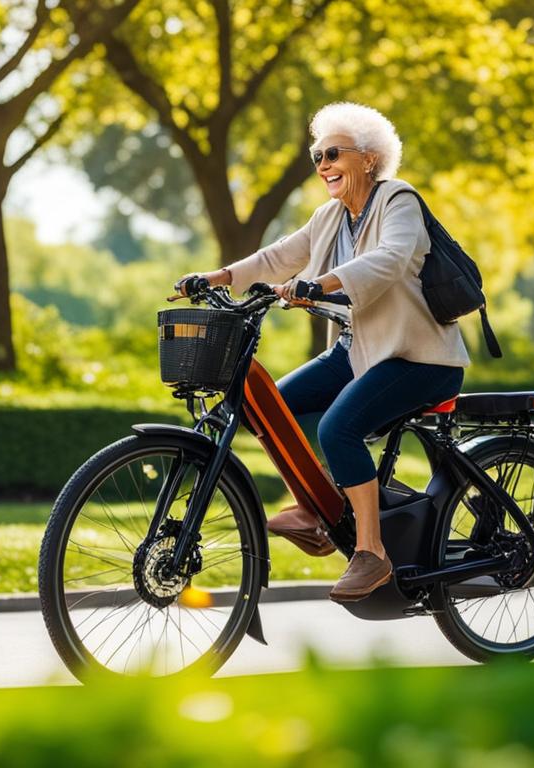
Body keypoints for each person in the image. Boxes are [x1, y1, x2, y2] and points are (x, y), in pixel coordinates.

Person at [178, 102, 469, 601]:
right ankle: (316, 510)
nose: (323, 165)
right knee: (266, 407)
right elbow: (278, 256)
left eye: (333, 153)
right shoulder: (330, 216)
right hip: (359, 352)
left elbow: (391, 259)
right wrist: (218, 277)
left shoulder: (399, 200)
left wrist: (320, 283)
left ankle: (371, 551)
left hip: (420, 358)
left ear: (369, 159)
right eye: (317, 156)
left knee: (339, 429)